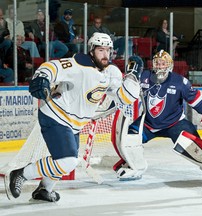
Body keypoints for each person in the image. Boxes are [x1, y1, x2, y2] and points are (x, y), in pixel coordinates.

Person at [6, 32, 141, 202]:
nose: (105, 54)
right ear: (92, 50)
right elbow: (52, 67)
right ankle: (21, 174)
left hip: (74, 123)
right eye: (100, 50)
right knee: (68, 161)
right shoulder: (78, 64)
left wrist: (133, 77)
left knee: (63, 161)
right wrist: (42, 78)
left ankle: (44, 190)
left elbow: (125, 98)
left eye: (108, 50)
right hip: (55, 115)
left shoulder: (111, 72)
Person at [113, 50, 202, 181]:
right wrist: (132, 73)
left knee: (195, 147)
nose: (160, 66)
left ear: (169, 65)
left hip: (175, 124)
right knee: (128, 138)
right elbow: (127, 88)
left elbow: (198, 101)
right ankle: (133, 165)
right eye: (157, 63)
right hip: (148, 124)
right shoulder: (144, 77)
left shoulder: (180, 82)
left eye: (163, 63)